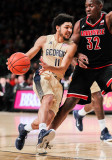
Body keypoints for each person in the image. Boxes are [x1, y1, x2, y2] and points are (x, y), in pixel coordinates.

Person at [40, 0, 112, 145]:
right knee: (70, 102)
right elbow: (72, 45)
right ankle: (49, 133)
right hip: (85, 68)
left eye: (91, 5)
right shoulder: (80, 24)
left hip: (106, 65)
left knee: (99, 97)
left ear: (100, 6)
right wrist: (76, 55)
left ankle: (99, 127)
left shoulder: (108, 19)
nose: (87, 9)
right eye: (86, 6)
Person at [12, 13, 77, 152]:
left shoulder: (71, 46)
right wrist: (13, 61)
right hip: (43, 76)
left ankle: (24, 129)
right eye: (67, 27)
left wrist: (50, 67)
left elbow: (63, 68)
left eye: (71, 28)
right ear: (58, 28)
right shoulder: (44, 40)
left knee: (47, 120)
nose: (70, 31)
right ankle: (42, 132)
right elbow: (27, 56)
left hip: (58, 82)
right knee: (47, 98)